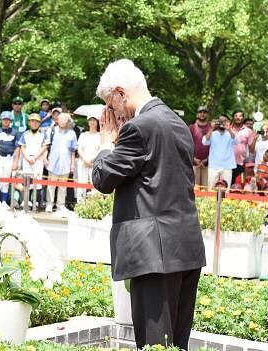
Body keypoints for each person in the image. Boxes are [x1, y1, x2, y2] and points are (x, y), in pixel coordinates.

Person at [92, 59, 205, 350]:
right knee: (176, 343)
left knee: (154, 343)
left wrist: (106, 143)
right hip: (185, 246)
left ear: (121, 93)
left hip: (153, 253)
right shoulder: (177, 122)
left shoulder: (139, 128)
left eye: (110, 104)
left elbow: (103, 178)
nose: (112, 113)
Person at [45, 112, 77, 213]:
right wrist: (44, 158)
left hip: (66, 163)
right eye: (61, 119)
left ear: (68, 121)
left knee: (63, 186)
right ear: (57, 120)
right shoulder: (52, 131)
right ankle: (49, 204)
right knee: (51, 185)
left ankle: (60, 205)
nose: (63, 121)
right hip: (53, 162)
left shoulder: (72, 133)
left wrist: (72, 164)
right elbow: (46, 145)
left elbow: (73, 151)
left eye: (65, 119)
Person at [18, 113, 50, 201]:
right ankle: (26, 201)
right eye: (32, 121)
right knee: (26, 181)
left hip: (38, 160)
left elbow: (45, 146)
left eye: (36, 121)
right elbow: (22, 147)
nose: (34, 123)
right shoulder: (25, 134)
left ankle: (35, 201)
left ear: (39, 123)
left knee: (37, 182)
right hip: (27, 159)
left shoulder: (43, 134)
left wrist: (35, 158)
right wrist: (27, 158)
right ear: (29, 123)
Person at [0, 111, 20, 204]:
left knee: (6, 180)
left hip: (9, 158)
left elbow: (17, 148)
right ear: (1, 120)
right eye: (4, 119)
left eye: (8, 119)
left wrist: (16, 161)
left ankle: (3, 202)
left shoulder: (15, 132)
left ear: (11, 120)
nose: (6, 121)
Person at [202, 115, 238, 189]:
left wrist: (229, 129)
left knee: (226, 190)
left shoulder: (230, 134)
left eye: (224, 121)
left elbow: (236, 141)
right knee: (211, 189)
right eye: (220, 121)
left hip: (227, 166)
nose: (222, 124)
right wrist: (212, 128)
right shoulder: (213, 133)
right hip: (213, 166)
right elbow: (204, 142)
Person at [76, 114, 101, 202]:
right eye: (90, 120)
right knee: (81, 183)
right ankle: (80, 204)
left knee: (95, 185)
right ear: (88, 122)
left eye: (94, 120)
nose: (92, 122)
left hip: (95, 163)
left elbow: (101, 149)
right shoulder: (83, 135)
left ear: (97, 122)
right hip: (83, 162)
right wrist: (85, 159)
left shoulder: (100, 135)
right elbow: (79, 149)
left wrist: (93, 159)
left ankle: (95, 204)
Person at [189, 106, 211, 187]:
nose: (202, 114)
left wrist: (207, 159)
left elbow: (215, 146)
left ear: (208, 115)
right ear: (197, 114)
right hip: (194, 163)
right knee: (194, 189)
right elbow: (187, 145)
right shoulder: (192, 128)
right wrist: (194, 158)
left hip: (208, 163)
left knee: (207, 191)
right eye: (200, 112)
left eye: (204, 112)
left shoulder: (212, 128)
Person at [230, 111, 256, 181]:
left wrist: (254, 139)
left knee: (238, 186)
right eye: (236, 116)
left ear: (243, 118)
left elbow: (251, 150)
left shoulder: (248, 131)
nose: (238, 117)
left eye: (240, 116)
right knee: (226, 186)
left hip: (240, 163)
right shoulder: (227, 129)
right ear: (233, 118)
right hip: (227, 163)